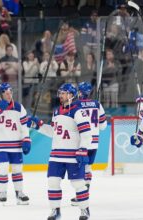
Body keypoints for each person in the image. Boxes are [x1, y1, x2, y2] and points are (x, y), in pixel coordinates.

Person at [44, 84, 92, 220]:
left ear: (71, 95)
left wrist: (83, 149)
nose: (60, 96)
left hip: (72, 155)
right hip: (56, 154)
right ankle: (55, 210)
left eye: (64, 93)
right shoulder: (56, 111)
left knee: (78, 183)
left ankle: (84, 210)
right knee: (52, 182)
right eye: (60, 93)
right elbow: (53, 132)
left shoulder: (78, 111)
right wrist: (38, 125)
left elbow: (87, 133)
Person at [0, 83, 31, 204]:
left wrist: (26, 139)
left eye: (10, 92)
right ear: (0, 94)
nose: (9, 94)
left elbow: (24, 126)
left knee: (17, 169)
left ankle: (19, 193)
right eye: (6, 92)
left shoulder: (18, 107)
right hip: (0, 144)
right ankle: (2, 192)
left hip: (15, 144)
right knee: (3, 166)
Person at [70, 82, 107, 206]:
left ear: (80, 92)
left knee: (80, 169)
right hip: (94, 142)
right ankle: (85, 192)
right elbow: (103, 126)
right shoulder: (97, 104)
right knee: (88, 168)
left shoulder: (75, 104)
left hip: (81, 142)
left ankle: (81, 195)